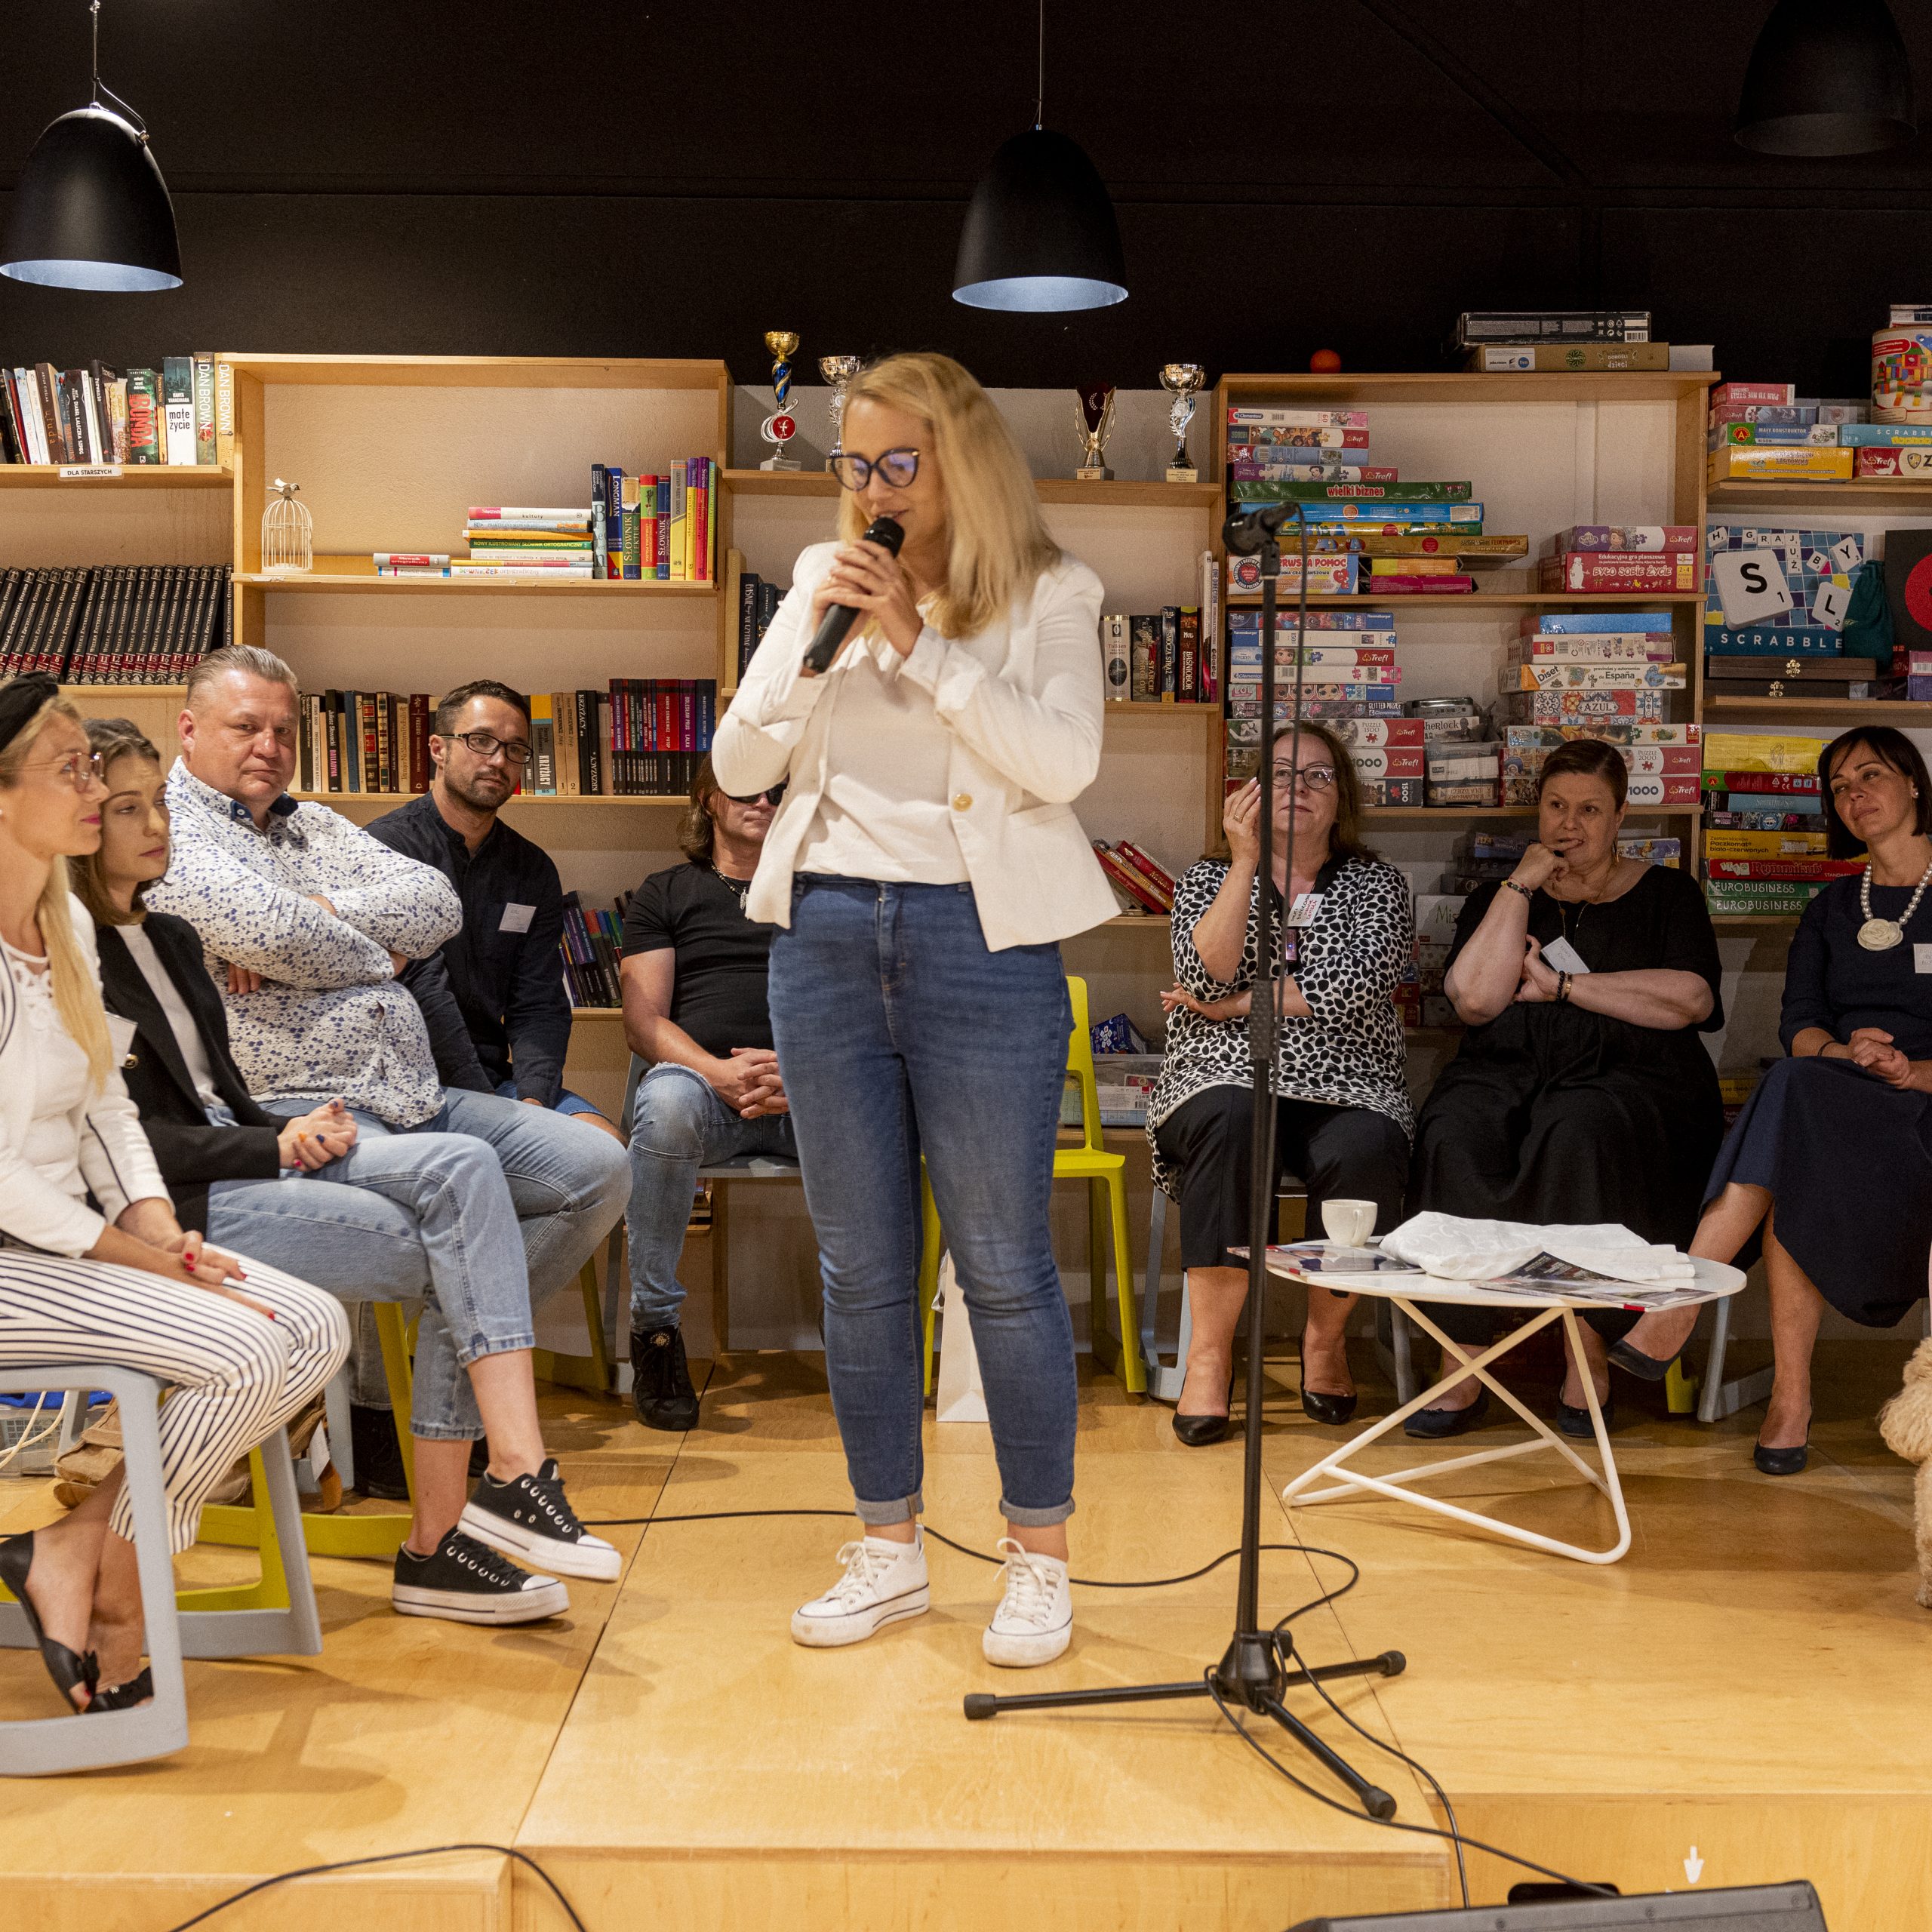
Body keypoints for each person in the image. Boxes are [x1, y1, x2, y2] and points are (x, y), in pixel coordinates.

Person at [712, 351, 1119, 1668]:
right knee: (861, 1267)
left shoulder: (1052, 591)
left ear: (963, 462)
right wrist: (814, 647)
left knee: (1001, 1263)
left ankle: (1038, 1560)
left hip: (979, 943)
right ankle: (887, 1548)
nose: (875, 488)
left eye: (900, 462)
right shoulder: (817, 581)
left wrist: (921, 645)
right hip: (826, 934)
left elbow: (1063, 762)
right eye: (858, 463)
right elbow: (738, 759)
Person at [77, 715, 619, 1622]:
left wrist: (306, 978)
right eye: (131, 808)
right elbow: (120, 1138)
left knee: (488, 1211)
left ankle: (477, 1507)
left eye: (160, 803)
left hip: (268, 1141)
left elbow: (426, 910)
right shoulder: (80, 951)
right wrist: (281, 1128)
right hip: (163, 1202)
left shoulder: (167, 933)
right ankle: (477, 1505)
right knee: (466, 1215)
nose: (161, 825)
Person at [143, 646, 631, 1487]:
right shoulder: (168, 831)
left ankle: (432, 1413)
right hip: (295, 1105)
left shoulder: (315, 823)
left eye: (283, 731)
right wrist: (382, 955)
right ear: (188, 730)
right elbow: (269, 933)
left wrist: (318, 922)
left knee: (597, 1167)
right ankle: (421, 1436)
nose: (269, 746)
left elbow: (434, 906)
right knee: (453, 1202)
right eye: (246, 727)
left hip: (413, 1090)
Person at [0, 675, 349, 1713]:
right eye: (71, 771)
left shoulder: (61, 923)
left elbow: (106, 1108)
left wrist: (156, 1223)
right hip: (18, 1258)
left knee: (315, 1326)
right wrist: (143, 1257)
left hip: (70, 1246)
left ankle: (81, 1547)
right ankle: (123, 1594)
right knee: (243, 1348)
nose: (93, 791)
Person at [1615, 727, 1932, 1475]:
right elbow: (1801, 1026)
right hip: (1841, 1094)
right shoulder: (1831, 908)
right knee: (1797, 1095)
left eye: (1870, 776)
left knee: (1792, 1112)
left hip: (1923, 1105)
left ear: (1914, 782)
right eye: (1839, 787)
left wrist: (1912, 1070)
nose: (1854, 795)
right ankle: (1787, 1394)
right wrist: (1850, 1054)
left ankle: (1689, 1306)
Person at [1406, 737, 1724, 1438]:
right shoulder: (1497, 896)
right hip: (1505, 1068)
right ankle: (1463, 1356)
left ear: (1620, 817)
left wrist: (1564, 987)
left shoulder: (1667, 894)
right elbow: (1475, 1001)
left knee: (1579, 1126)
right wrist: (1520, 887)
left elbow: (1691, 1000)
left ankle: (1587, 1351)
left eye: (1589, 809)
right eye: (1556, 806)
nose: (1569, 825)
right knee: (1455, 1129)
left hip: (1631, 1077)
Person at [1148, 721, 1415, 1445]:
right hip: (1225, 1071)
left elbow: (1354, 986)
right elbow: (1202, 974)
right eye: (1281, 776)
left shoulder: (1377, 883)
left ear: (1342, 796)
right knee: (1232, 1119)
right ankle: (1210, 1357)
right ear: (1249, 794)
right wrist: (1244, 863)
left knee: (1366, 1147)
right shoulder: (1207, 878)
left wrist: (1240, 1005)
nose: (1299, 789)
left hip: (1349, 1076)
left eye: (1318, 775)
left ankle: (1324, 1342)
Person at [365, 678, 622, 1143]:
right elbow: (423, 990)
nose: (499, 761)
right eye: (481, 741)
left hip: (495, 1079)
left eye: (515, 748)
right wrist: (495, 1114)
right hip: (396, 1083)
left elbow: (539, 1001)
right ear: (438, 749)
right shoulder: (384, 849)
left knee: (607, 1148)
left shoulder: (531, 868)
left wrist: (533, 1100)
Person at [618, 755, 790, 1432]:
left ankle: (875, 1333)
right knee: (664, 1102)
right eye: (747, 786)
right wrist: (719, 1073)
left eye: (778, 789)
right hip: (704, 1097)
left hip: (810, 1099)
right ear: (708, 797)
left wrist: (803, 1074)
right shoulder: (667, 892)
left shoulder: (822, 892)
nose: (764, 800)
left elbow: (863, 1008)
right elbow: (643, 1022)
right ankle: (656, 1332)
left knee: (892, 1107)